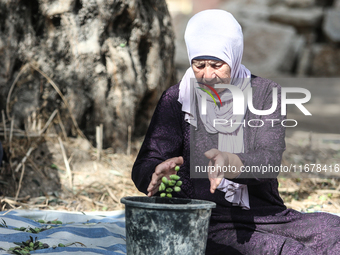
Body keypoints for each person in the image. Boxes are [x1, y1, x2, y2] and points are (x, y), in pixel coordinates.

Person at [132, 9, 340, 255]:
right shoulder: (177, 99)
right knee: (281, 249)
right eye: (199, 65)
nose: (208, 75)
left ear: (234, 55)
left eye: (217, 64)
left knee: (332, 230)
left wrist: (232, 162)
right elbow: (145, 163)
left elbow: (269, 160)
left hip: (265, 215)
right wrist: (156, 173)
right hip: (201, 220)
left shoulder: (264, 93)